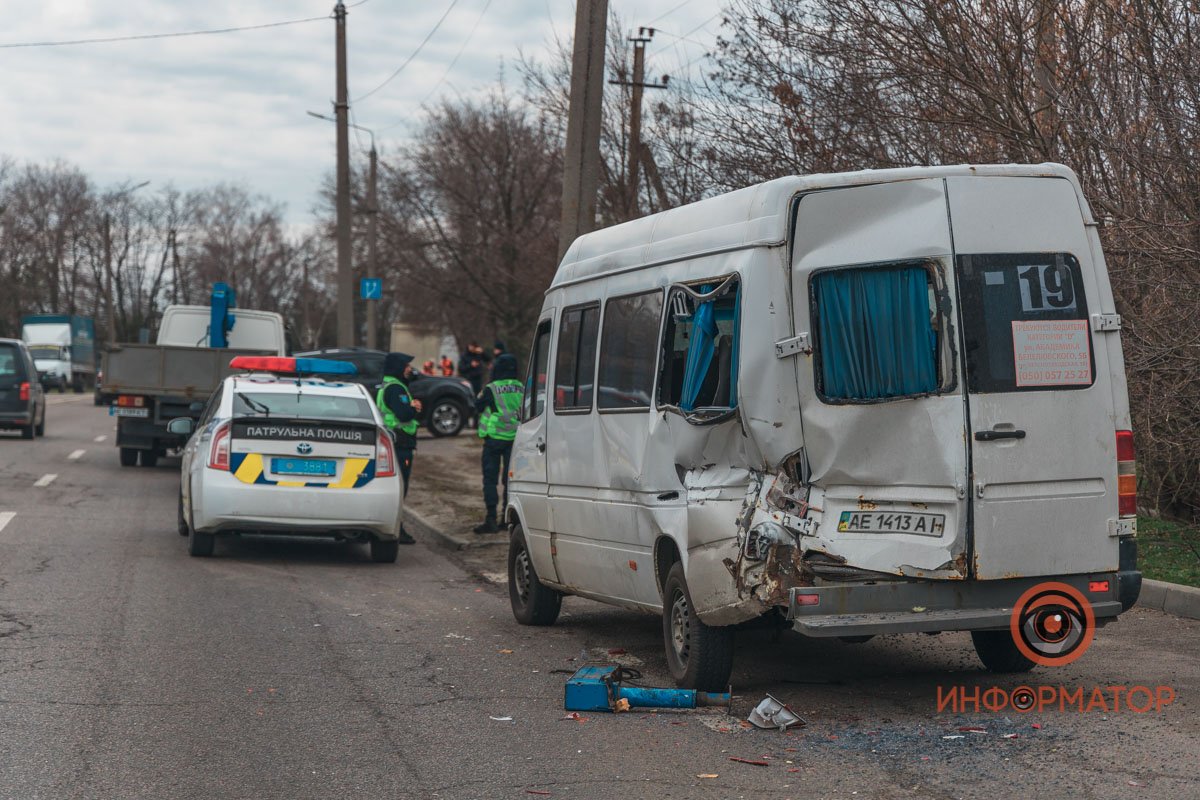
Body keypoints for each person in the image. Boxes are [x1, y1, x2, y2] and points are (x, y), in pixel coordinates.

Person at [472, 352, 523, 534]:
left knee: (490, 479)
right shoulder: (521, 387)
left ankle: (491, 519)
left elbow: (476, 406)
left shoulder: (491, 388)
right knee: (510, 481)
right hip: (515, 440)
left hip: (493, 439)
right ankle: (506, 519)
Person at [376, 352, 423, 545]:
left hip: (395, 441)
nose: (409, 369)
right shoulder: (396, 388)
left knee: (396, 487)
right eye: (406, 365)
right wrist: (414, 408)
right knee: (400, 488)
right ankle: (397, 529)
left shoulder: (390, 385)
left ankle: (393, 525)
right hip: (400, 443)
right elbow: (404, 414)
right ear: (397, 367)